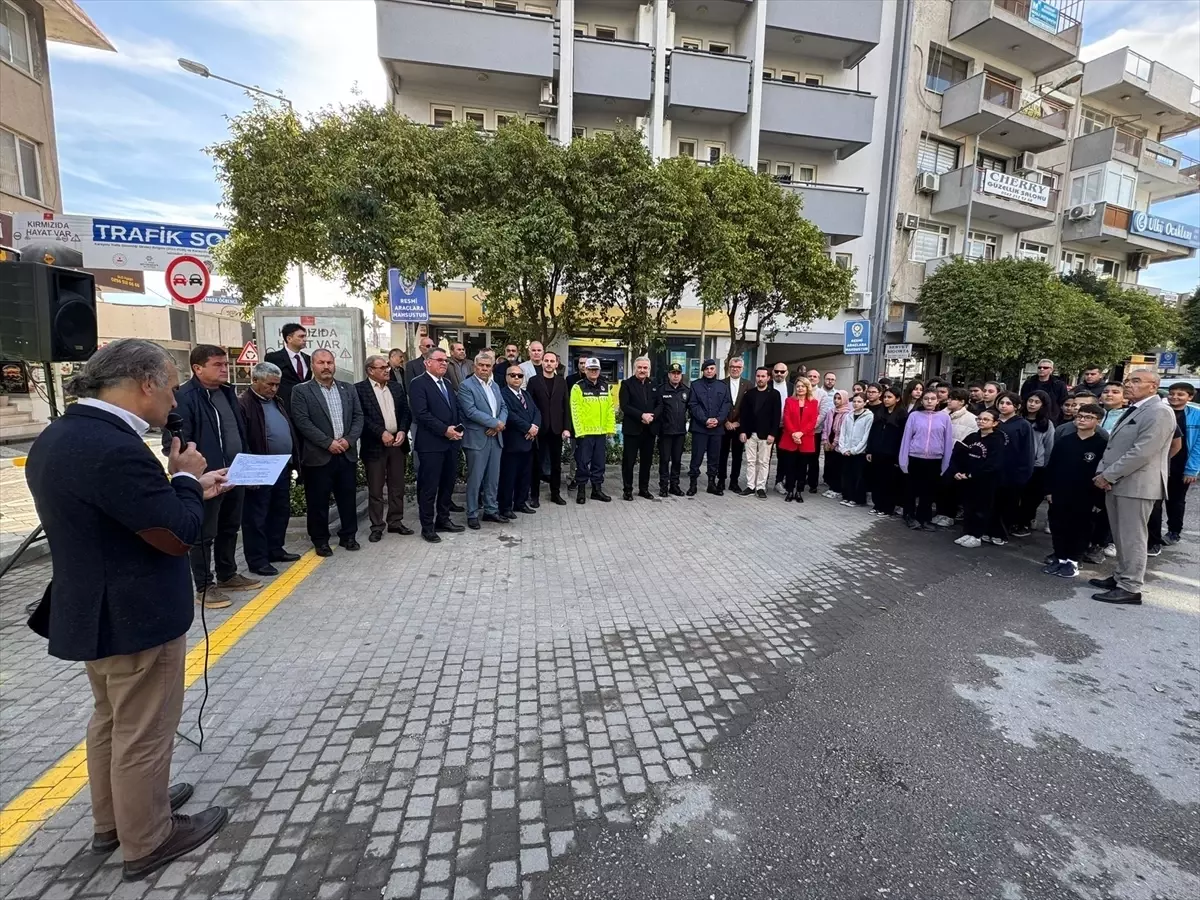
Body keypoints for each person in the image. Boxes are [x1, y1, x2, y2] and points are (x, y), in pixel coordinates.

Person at [25, 339, 231, 882]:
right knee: (144, 730)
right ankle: (149, 837)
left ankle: (115, 819)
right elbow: (176, 533)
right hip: (135, 614)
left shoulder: (63, 434)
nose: (172, 399)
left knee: (112, 723)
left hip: (97, 609)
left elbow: (127, 513)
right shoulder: (113, 446)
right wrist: (185, 477)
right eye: (168, 386)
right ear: (144, 383)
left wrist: (183, 490)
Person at [174, 345, 256, 610]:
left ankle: (228, 574)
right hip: (208, 477)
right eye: (217, 365)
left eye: (225, 364)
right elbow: (177, 441)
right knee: (203, 533)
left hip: (235, 471)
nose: (224, 369)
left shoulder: (228, 393)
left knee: (230, 527)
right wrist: (195, 474)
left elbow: (238, 431)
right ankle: (204, 586)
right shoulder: (185, 397)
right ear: (198, 368)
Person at [1090, 371, 1175, 605]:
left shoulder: (1159, 411)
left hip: (1137, 485)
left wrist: (1109, 474)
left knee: (1133, 537)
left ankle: (1130, 586)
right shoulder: (1137, 408)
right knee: (1120, 534)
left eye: (1136, 381)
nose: (1129, 385)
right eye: (1128, 381)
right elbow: (1115, 446)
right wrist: (1103, 472)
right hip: (1119, 482)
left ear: (1153, 386)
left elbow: (1142, 451)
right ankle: (1121, 576)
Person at [290, 349, 364, 557]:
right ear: (312, 366)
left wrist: (348, 441)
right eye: (321, 362)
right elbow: (302, 421)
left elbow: (358, 417)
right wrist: (328, 442)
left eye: (330, 362)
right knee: (318, 501)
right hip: (319, 456)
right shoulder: (302, 391)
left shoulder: (348, 389)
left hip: (346, 454)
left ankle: (348, 536)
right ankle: (320, 540)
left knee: (348, 498)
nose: (326, 367)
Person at [237, 362, 302, 576]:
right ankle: (257, 560)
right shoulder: (244, 404)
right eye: (270, 384)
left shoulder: (277, 402)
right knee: (256, 516)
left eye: (277, 385)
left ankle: (275, 549)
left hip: (280, 466)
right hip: (259, 468)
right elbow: (243, 438)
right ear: (254, 381)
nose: (274, 389)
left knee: (279, 510)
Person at [1043, 403, 1107, 578]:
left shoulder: (1102, 444)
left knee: (1080, 528)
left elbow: (1104, 473)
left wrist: (1098, 500)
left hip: (1086, 495)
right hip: (1060, 491)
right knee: (1058, 526)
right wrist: (1049, 490)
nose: (1082, 420)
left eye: (1088, 417)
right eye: (1080, 416)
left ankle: (1073, 560)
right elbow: (1052, 466)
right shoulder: (1065, 441)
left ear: (1098, 421)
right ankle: (1060, 557)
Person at [408, 348, 465, 543]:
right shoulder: (418, 384)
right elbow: (421, 414)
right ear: (427, 362)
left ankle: (443, 519)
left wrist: (458, 429)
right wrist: (444, 430)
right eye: (439, 360)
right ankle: (427, 526)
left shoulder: (447, 384)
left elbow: (454, 409)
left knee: (447, 485)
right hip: (431, 445)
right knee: (429, 487)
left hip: (450, 444)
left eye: (445, 361)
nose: (443, 363)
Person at [356, 354, 413, 543]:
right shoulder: (359, 390)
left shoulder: (396, 387)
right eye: (382, 367)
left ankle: (395, 521)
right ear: (370, 370)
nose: (387, 370)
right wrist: (381, 432)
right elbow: (361, 418)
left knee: (397, 486)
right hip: (375, 446)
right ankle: (377, 525)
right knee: (376, 488)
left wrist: (403, 431)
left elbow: (406, 412)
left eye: (387, 366)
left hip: (397, 443)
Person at [458, 352, 508, 529]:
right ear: (475, 366)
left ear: (492, 367)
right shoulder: (466, 386)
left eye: (488, 366)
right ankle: (472, 513)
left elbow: (503, 406)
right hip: (477, 438)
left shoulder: (494, 385)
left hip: (496, 437)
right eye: (481, 365)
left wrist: (499, 424)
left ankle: (490, 510)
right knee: (476, 478)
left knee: (493, 478)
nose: (485, 369)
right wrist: (495, 423)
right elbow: (470, 411)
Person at [951, 408, 1008, 548]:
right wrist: (957, 471)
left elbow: (994, 464)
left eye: (986, 419)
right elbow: (958, 454)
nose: (981, 422)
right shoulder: (972, 437)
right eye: (979, 419)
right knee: (968, 506)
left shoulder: (997, 440)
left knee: (982, 509)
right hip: (968, 481)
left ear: (995, 423)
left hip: (986, 482)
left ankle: (977, 535)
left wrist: (972, 474)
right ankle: (968, 532)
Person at [898, 390, 954, 530]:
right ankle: (909, 516)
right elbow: (906, 438)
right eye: (926, 398)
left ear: (938, 401)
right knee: (911, 490)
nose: (929, 401)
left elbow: (948, 441)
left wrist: (946, 464)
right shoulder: (914, 416)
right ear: (921, 401)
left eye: (932, 399)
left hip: (934, 460)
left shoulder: (944, 417)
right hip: (915, 458)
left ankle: (925, 518)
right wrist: (903, 461)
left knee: (928, 492)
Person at [569, 357, 616, 503]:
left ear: (599, 370)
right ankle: (581, 491)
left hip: (601, 433)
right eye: (590, 369)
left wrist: (610, 429)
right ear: (585, 370)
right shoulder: (578, 387)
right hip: (585, 433)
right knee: (582, 463)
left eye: (596, 369)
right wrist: (579, 431)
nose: (593, 372)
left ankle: (597, 490)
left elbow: (610, 409)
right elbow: (575, 411)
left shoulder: (605, 386)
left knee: (599, 463)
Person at [528, 350, 570, 507]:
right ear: (542, 363)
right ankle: (535, 496)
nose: (549, 364)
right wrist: (532, 425)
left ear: (556, 364)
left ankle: (555, 493)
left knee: (556, 464)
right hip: (539, 429)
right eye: (546, 361)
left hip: (557, 429)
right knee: (536, 463)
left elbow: (565, 405)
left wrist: (567, 427)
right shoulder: (533, 381)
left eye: (552, 361)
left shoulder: (561, 382)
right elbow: (530, 406)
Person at [1011, 390, 1056, 537]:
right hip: (1017, 463)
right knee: (1015, 495)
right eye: (1030, 401)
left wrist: (1047, 467)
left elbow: (1049, 447)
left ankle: (1024, 523)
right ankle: (1013, 521)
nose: (1032, 404)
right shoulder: (1017, 419)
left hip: (1037, 466)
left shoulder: (1047, 425)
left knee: (1030, 498)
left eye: (1037, 402)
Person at [498, 366, 541, 518]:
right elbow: (509, 415)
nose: (516, 378)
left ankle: (520, 502)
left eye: (520, 376)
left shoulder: (526, 394)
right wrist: (528, 427)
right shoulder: (502, 394)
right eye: (513, 375)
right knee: (509, 476)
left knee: (525, 475)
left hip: (529, 441)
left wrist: (535, 427)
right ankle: (506, 507)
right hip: (513, 441)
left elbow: (536, 411)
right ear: (506, 377)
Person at [1161, 382, 1200, 545]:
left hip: (1180, 464)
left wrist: (1191, 470)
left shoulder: (1195, 415)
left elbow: (1198, 444)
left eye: (1180, 394)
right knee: (1153, 501)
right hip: (1158, 462)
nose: (1175, 397)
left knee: (1176, 500)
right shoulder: (1161, 412)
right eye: (1172, 393)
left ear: (1190, 397)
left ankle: (1174, 531)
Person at [933, 388, 977, 527]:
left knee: (951, 487)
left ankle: (949, 515)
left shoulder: (971, 419)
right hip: (938, 454)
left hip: (956, 456)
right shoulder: (941, 414)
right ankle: (940, 512)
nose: (949, 401)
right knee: (939, 485)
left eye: (953, 399)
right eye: (949, 398)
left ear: (962, 402)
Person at [687, 359, 732, 496]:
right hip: (700, 428)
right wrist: (705, 420)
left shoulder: (723, 386)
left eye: (712, 368)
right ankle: (693, 484)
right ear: (703, 370)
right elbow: (693, 405)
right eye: (706, 369)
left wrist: (718, 420)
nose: (709, 371)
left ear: (715, 370)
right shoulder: (695, 385)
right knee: (696, 457)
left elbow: (726, 405)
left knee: (714, 457)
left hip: (717, 429)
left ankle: (711, 483)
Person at [737, 366, 782, 499]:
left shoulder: (774, 394)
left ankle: (761, 487)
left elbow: (776, 415)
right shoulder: (749, 394)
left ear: (768, 378)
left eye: (763, 376)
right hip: (751, 433)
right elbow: (743, 414)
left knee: (763, 462)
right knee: (750, 461)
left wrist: (773, 434)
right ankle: (751, 486)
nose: (760, 379)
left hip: (766, 434)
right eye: (758, 376)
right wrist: (743, 431)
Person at [995, 391, 1034, 540]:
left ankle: (1002, 533)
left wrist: (1023, 474)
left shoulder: (1022, 425)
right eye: (1001, 402)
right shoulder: (993, 421)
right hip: (993, 471)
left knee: (1008, 504)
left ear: (1016, 406)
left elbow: (1027, 452)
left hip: (1012, 473)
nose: (1003, 406)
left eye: (1008, 403)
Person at [619, 356, 658, 501]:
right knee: (629, 462)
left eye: (645, 368)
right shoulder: (627, 384)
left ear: (649, 369)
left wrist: (652, 417)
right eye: (640, 367)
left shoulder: (654, 384)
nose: (642, 370)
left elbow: (660, 404)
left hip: (649, 429)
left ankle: (644, 489)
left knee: (646, 462)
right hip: (632, 429)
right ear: (635, 368)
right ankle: (627, 490)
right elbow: (625, 405)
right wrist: (642, 415)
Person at [866, 386, 905, 518]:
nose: (886, 400)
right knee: (877, 480)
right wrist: (869, 450)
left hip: (892, 454)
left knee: (889, 482)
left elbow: (902, 437)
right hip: (877, 452)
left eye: (890, 397)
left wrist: (899, 455)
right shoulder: (880, 412)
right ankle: (877, 505)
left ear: (897, 399)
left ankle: (887, 508)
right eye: (885, 397)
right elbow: (872, 433)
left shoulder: (902, 415)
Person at [778, 378, 819, 502]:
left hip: (805, 439)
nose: (800, 388)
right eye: (798, 386)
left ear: (807, 388)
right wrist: (794, 434)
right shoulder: (789, 401)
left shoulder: (813, 402)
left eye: (803, 386)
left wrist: (801, 433)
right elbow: (786, 418)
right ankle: (790, 490)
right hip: (790, 438)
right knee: (789, 467)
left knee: (802, 468)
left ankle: (799, 491)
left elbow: (813, 421)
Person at [655, 363, 689, 497]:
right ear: (669, 375)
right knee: (664, 460)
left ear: (681, 375)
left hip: (680, 432)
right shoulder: (661, 390)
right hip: (666, 432)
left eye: (678, 373)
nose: (676, 376)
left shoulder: (686, 391)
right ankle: (663, 486)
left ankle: (674, 486)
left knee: (677, 460)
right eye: (673, 373)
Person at [836, 393, 873, 507]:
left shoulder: (869, 416)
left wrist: (855, 450)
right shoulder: (849, 415)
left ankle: (857, 499)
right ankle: (847, 496)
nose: (856, 404)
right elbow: (843, 432)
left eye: (859, 401)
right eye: (854, 401)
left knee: (858, 476)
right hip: (846, 451)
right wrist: (843, 448)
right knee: (847, 475)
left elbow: (866, 436)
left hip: (859, 452)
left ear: (865, 402)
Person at [264, 322, 311, 410]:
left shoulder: (308, 359)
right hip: (283, 407)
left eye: (305, 336)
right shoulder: (274, 358)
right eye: (301, 336)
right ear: (289, 338)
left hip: (305, 409)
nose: (305, 339)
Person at [718, 358, 748, 494]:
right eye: (732, 366)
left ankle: (734, 482)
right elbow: (717, 406)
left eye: (738, 367)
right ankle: (721, 481)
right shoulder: (721, 384)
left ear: (743, 368)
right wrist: (725, 421)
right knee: (722, 454)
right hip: (723, 425)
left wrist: (739, 422)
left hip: (739, 426)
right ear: (728, 368)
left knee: (737, 456)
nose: (735, 369)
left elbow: (750, 408)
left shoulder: (748, 385)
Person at [821, 390, 850, 500]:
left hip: (839, 444)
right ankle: (832, 487)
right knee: (830, 466)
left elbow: (842, 430)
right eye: (835, 398)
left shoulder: (847, 413)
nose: (836, 401)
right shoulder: (831, 411)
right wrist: (825, 440)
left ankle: (838, 489)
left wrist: (834, 443)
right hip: (829, 442)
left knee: (838, 467)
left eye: (839, 398)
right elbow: (826, 427)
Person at [771, 363, 791, 493]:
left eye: (782, 372)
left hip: (786, 428)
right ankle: (762, 482)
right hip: (768, 427)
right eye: (776, 371)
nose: (779, 374)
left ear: (786, 373)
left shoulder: (792, 387)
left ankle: (779, 481)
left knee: (783, 456)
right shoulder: (766, 385)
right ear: (772, 372)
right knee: (764, 457)